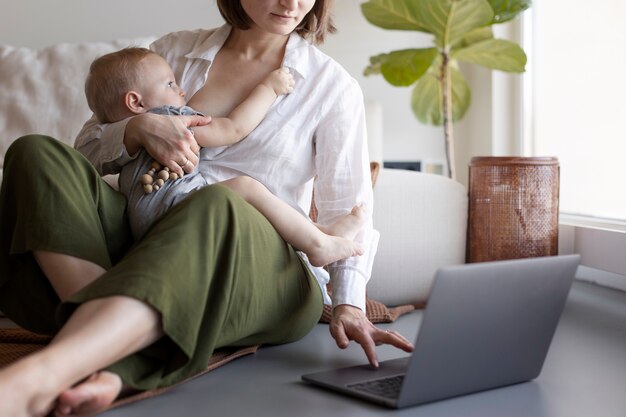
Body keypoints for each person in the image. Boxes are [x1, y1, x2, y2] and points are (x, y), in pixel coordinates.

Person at [0, 1, 414, 416]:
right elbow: (86, 153)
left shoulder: (331, 86)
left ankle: (48, 372)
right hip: (149, 234)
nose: (292, 3)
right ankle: (106, 342)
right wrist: (135, 128)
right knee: (36, 152)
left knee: (220, 200)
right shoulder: (173, 51)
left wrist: (349, 305)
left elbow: (351, 206)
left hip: (267, 266)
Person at [86, 47, 365, 266]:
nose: (181, 89)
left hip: (140, 225)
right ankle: (317, 247)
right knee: (245, 188)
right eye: (170, 84)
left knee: (254, 210)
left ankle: (320, 232)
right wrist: (269, 89)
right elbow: (234, 128)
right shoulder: (173, 121)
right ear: (136, 102)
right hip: (179, 212)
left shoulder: (126, 143)